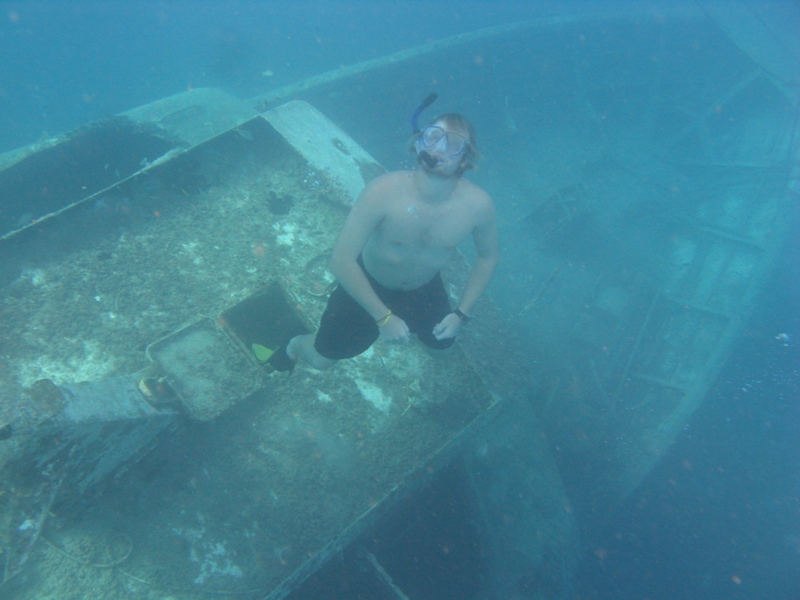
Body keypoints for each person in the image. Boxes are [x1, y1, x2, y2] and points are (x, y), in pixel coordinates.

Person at [268, 109, 498, 372]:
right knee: (322, 361)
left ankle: (412, 328)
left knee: (441, 351)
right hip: (368, 283)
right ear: (419, 142)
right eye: (433, 137)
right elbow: (341, 260)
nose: (439, 148)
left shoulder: (479, 207)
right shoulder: (383, 192)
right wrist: (384, 318)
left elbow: (488, 258)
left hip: (423, 290)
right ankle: (296, 344)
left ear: (466, 159)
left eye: (454, 143)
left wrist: (461, 314)